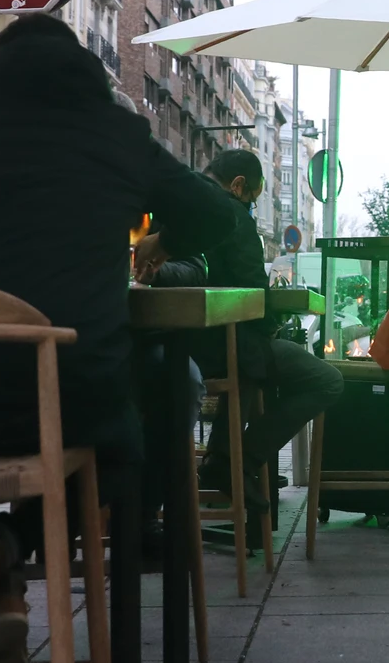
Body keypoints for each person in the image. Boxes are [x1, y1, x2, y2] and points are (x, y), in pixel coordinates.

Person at [0, 14, 235, 663]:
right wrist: (160, 238)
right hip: (67, 391)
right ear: (86, 73)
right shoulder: (117, 133)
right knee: (126, 427)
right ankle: (1, 551)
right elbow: (219, 213)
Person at [142, 149, 344, 526]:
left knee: (254, 364)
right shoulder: (231, 216)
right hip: (224, 349)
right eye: (253, 198)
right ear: (238, 186)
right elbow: (254, 298)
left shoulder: (171, 206)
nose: (252, 207)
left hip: (178, 346)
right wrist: (274, 321)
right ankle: (239, 461)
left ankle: (225, 456)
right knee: (326, 380)